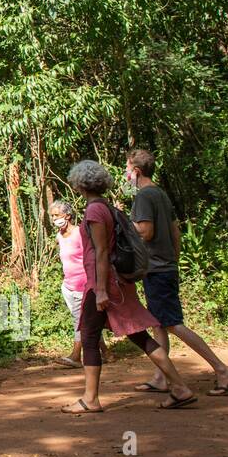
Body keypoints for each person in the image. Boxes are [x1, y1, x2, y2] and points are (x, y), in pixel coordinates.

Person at [61, 161, 195, 413]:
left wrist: (100, 290)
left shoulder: (94, 212)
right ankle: (179, 387)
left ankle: (90, 399)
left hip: (104, 285)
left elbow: (101, 252)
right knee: (139, 336)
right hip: (116, 284)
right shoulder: (106, 208)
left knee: (89, 337)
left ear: (79, 184)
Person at [127, 149, 228, 396]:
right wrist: (173, 261)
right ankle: (161, 377)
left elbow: (145, 232)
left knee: (172, 324)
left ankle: (221, 369)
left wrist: (123, 225)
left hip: (157, 269)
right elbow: (175, 231)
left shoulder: (144, 197)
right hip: (163, 267)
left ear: (136, 171)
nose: (126, 174)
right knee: (158, 323)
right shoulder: (161, 194)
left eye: (127, 168)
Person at [51, 201, 89, 368]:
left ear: (67, 215)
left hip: (83, 285)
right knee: (85, 320)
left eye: (56, 215)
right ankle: (107, 352)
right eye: (52, 216)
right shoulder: (59, 235)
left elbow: (90, 257)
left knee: (79, 320)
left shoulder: (80, 232)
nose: (54, 219)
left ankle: (75, 356)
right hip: (67, 286)